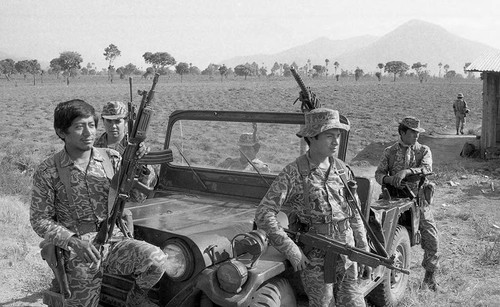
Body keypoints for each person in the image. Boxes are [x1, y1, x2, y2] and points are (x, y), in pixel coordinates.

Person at [30, 99, 168, 307]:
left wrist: (142, 167)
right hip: (78, 251)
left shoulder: (111, 159)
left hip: (113, 241)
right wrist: (74, 241)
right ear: (61, 132)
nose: (88, 133)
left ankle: (135, 298)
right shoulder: (48, 170)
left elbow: (136, 197)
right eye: (79, 126)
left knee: (156, 259)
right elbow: (39, 219)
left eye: (92, 125)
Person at [255, 108, 369, 307]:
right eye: (329, 136)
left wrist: (363, 247)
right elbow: (264, 213)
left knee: (354, 303)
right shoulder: (294, 172)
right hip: (315, 257)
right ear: (312, 137)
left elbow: (355, 213)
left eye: (338, 136)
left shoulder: (342, 170)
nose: (336, 142)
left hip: (347, 252)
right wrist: (291, 250)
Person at [374, 116, 444, 293]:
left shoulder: (423, 150)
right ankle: (384, 279)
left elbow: (427, 169)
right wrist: (390, 179)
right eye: (413, 133)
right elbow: (379, 174)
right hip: (395, 202)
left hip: (419, 203)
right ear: (402, 132)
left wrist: (406, 172)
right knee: (384, 240)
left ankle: (429, 279)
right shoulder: (389, 152)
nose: (416, 136)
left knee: (432, 239)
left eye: (418, 133)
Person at [94, 100, 158, 202]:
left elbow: (145, 190)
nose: (113, 126)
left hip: (129, 202)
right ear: (103, 121)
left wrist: (143, 163)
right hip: (101, 202)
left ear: (126, 121)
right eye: (109, 121)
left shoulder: (137, 147)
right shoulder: (94, 147)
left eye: (118, 121)